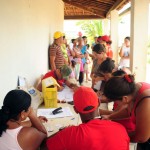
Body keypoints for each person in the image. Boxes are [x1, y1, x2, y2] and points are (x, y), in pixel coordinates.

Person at [46, 87, 129, 150]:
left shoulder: (71, 134)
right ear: (99, 103)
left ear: (75, 110)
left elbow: (44, 146)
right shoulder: (121, 129)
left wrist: (61, 133)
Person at [103, 75, 150, 149]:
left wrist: (114, 137)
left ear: (125, 99)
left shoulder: (146, 101)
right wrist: (109, 117)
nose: (116, 104)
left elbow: (141, 137)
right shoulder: (133, 90)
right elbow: (128, 111)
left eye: (115, 101)